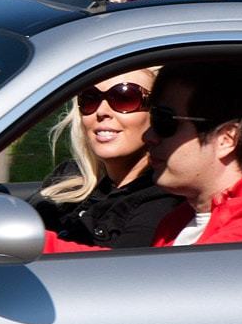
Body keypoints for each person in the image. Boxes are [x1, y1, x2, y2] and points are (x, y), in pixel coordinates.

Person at [44, 61, 242, 253]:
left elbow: (147, 292)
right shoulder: (182, 218)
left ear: (227, 139)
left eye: (165, 122)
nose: (149, 136)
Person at [31, 68, 180, 248]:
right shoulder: (69, 177)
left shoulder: (162, 201)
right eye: (90, 98)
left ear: (155, 113)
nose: (101, 111)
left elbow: (113, 270)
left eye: (125, 98)